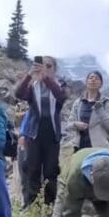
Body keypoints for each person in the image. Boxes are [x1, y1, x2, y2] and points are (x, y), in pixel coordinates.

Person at [15, 55, 66, 206]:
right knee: (32, 169)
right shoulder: (33, 85)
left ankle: (49, 204)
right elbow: (18, 94)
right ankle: (31, 205)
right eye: (42, 65)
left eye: (49, 66)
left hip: (52, 135)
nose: (45, 68)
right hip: (34, 134)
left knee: (51, 171)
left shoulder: (60, 85)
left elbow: (61, 97)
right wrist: (29, 75)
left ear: (55, 70)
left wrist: (46, 79)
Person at [66, 71, 109, 151]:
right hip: (80, 148)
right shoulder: (78, 102)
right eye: (90, 78)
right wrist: (76, 124)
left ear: (101, 84)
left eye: (96, 78)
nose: (93, 80)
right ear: (86, 82)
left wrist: (99, 109)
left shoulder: (106, 102)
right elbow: (69, 125)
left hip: (100, 148)